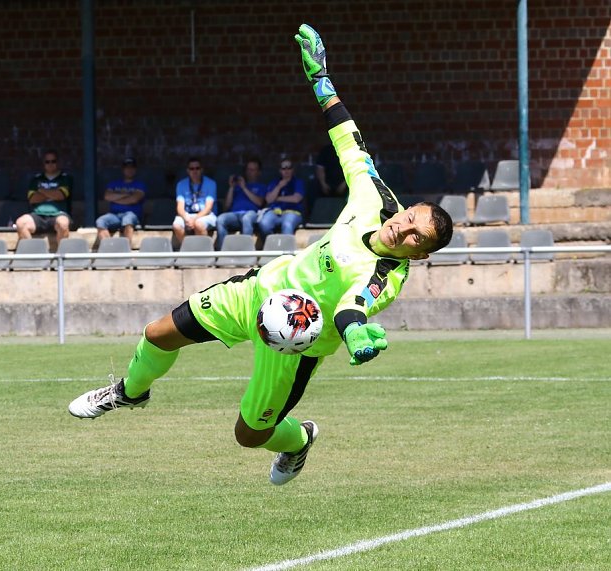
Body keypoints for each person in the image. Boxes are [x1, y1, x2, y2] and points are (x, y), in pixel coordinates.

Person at [68, 24, 453, 486]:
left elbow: (356, 304)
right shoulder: (375, 198)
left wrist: (353, 335)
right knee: (159, 333)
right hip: (261, 290)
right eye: (410, 217)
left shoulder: (387, 275)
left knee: (249, 435)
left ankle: (300, 441)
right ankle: (129, 393)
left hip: (293, 343)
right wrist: (321, 82)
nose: (403, 228)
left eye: (416, 238)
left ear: (422, 255)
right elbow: (350, 143)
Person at [14, 149, 73, 242]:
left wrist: (41, 190)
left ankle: (59, 256)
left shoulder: (65, 178)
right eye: (47, 162)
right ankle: (33, 254)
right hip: (38, 215)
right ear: (43, 164)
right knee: (20, 223)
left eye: (53, 161)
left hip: (58, 214)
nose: (50, 164)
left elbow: (60, 195)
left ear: (58, 162)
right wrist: (52, 193)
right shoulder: (36, 179)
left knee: (63, 224)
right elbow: (32, 199)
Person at [214, 158, 268, 250]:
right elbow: (227, 206)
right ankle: (222, 253)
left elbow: (259, 203)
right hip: (235, 214)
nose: (250, 172)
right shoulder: (237, 186)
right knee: (220, 219)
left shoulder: (261, 186)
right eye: (248, 169)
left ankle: (245, 253)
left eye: (253, 170)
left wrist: (244, 188)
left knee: (246, 219)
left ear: (258, 172)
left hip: (251, 213)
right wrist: (231, 187)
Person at [95, 157, 146, 243]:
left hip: (132, 214)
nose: (129, 170)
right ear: (123, 169)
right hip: (114, 215)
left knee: (128, 219)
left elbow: (134, 199)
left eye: (132, 167)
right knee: (100, 221)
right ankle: (109, 249)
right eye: (127, 167)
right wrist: (127, 194)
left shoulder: (139, 184)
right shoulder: (114, 183)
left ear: (135, 169)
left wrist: (116, 198)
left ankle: (126, 252)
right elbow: (107, 196)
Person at [172, 157, 217, 246]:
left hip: (206, 214)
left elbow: (208, 208)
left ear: (202, 170)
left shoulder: (211, 183)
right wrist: (186, 218)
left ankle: (204, 252)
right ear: (188, 171)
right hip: (188, 214)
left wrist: (194, 219)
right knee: (176, 225)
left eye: (197, 168)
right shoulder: (181, 184)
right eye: (192, 169)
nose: (195, 171)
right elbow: (180, 208)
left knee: (198, 224)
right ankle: (188, 249)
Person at [257, 160, 306, 237]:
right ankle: (273, 246)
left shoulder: (298, 182)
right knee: (264, 224)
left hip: (292, 212)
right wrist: (279, 186)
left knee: (287, 224)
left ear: (292, 170)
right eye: (283, 168)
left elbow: (296, 198)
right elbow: (269, 200)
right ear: (280, 170)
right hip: (275, 212)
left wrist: (277, 198)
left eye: (289, 168)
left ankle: (287, 248)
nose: (286, 171)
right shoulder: (275, 182)